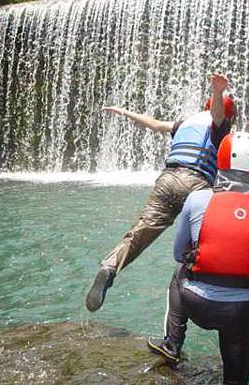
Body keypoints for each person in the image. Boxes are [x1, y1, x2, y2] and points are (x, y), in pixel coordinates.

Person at [147, 132, 249, 385]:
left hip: (193, 303)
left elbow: (177, 253)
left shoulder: (197, 200)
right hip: (239, 314)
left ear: (220, 161)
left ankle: (172, 344)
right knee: (237, 381)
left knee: (179, 270)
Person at [86, 73, 237, 312]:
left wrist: (123, 112)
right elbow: (218, 116)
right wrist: (218, 91)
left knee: (140, 232)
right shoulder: (219, 125)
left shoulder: (184, 123)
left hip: (167, 180)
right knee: (212, 236)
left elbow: (154, 124)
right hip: (196, 184)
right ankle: (209, 291)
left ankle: (110, 266)